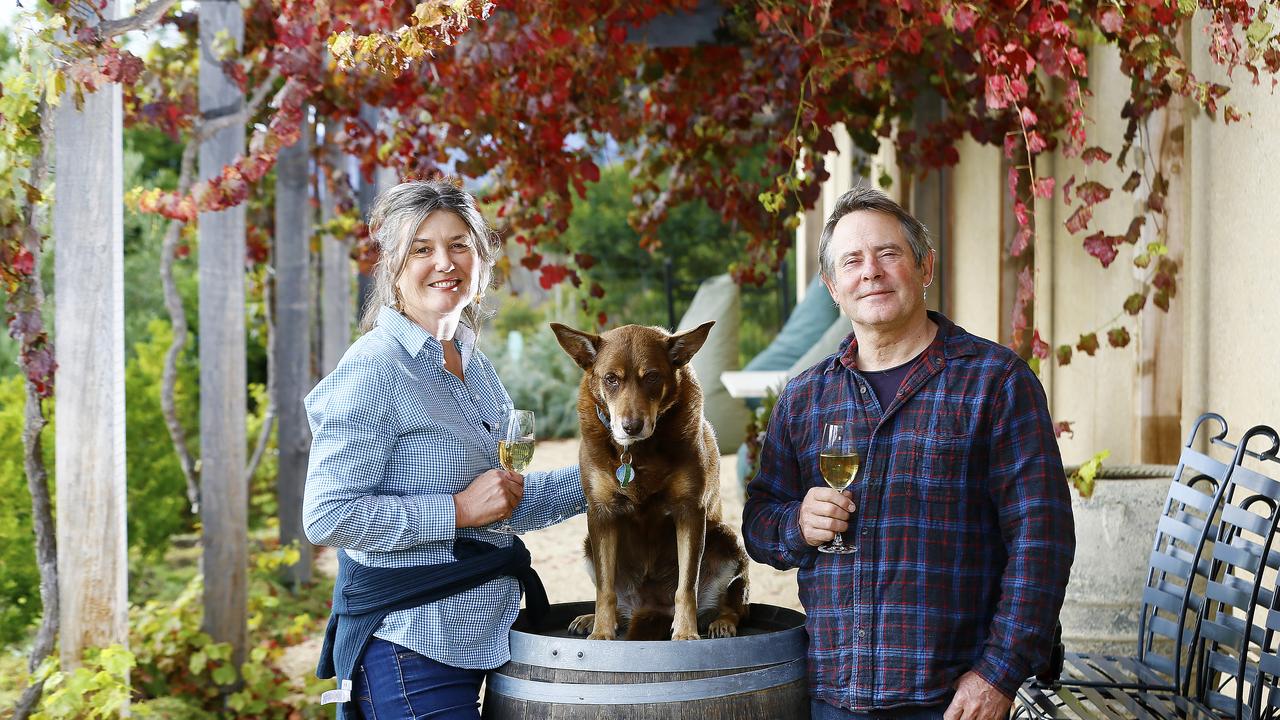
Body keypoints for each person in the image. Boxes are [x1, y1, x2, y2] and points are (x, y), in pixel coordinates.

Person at [742, 185, 1075, 720]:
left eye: (888, 253)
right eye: (852, 261)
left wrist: (999, 673)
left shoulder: (996, 383)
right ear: (832, 286)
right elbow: (759, 524)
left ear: (925, 268)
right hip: (835, 694)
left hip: (954, 699)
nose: (870, 271)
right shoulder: (804, 398)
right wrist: (796, 524)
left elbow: (1043, 540)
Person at [303, 180, 586, 720]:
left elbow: (504, 503)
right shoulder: (375, 369)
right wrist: (455, 511)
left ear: (481, 259)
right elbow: (327, 516)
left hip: (485, 637)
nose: (444, 262)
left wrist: (618, 476)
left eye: (459, 245)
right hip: (410, 649)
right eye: (421, 248)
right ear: (392, 265)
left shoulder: (474, 370)